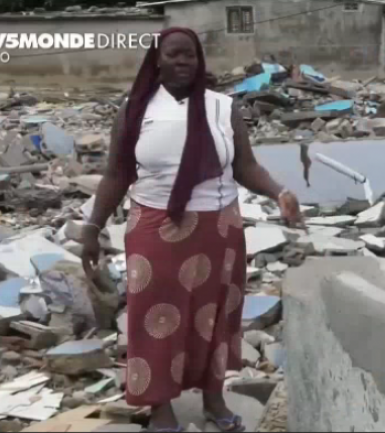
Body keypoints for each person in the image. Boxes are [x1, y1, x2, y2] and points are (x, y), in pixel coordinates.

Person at [81, 27, 303, 432]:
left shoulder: (222, 107)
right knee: (156, 319)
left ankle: (213, 398)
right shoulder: (136, 108)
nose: (183, 62)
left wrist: (279, 191)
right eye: (174, 54)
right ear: (157, 59)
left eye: (191, 56)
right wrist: (92, 226)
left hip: (219, 228)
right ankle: (160, 406)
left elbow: (245, 167)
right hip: (155, 227)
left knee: (215, 317)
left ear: (200, 62)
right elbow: (116, 174)